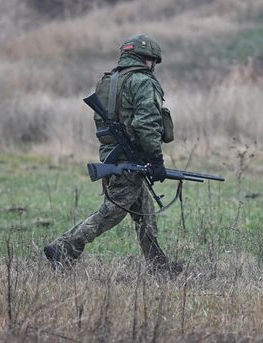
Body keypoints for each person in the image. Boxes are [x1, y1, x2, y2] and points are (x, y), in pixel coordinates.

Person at [44, 34, 181, 274]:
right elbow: (147, 124)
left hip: (114, 155)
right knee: (113, 211)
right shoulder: (142, 82)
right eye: (152, 61)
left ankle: (160, 267)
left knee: (145, 215)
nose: (153, 66)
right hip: (129, 159)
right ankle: (64, 247)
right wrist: (157, 160)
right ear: (144, 59)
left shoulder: (109, 81)